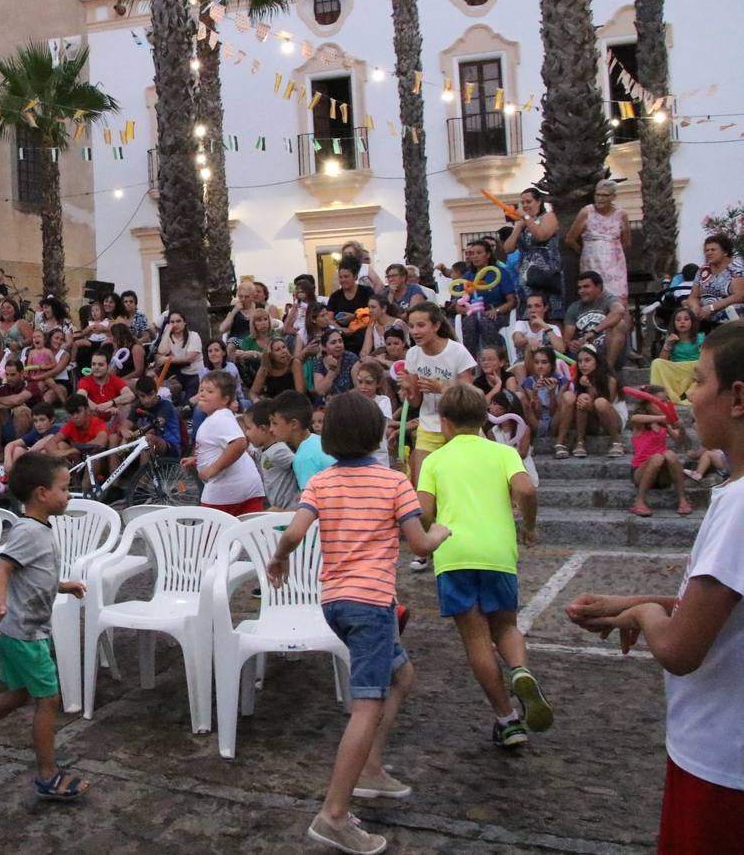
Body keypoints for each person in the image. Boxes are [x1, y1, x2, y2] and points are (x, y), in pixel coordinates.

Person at [564, 322, 744, 853]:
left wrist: (646, 618)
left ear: (737, 398)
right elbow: (721, 611)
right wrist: (633, 603)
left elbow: (681, 649)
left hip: (720, 757)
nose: (690, 395)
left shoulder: (737, 508)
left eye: (701, 380)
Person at [267, 392, 450, 855]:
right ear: (376, 436)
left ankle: (370, 770)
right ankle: (333, 815)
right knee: (367, 704)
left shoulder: (322, 483)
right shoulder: (394, 483)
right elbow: (419, 545)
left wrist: (279, 559)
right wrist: (441, 532)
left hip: (336, 602)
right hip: (371, 605)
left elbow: (294, 531)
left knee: (402, 675)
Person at [0, 453, 91, 800]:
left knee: (21, 693)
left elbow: (34, 575)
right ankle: (47, 775)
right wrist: (0, 605)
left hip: (20, 630)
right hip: (24, 632)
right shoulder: (28, 531)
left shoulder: (39, 529)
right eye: (64, 488)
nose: (69, 495)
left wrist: (62, 585)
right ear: (42, 493)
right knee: (48, 699)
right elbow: (4, 569)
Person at [417, 385, 549, 747]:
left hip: (454, 555)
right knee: (505, 627)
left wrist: (428, 537)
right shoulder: (503, 453)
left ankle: (507, 719)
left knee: (476, 639)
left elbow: (423, 512)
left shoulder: (434, 460)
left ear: (444, 422)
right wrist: (530, 527)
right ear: (482, 420)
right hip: (498, 553)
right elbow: (527, 490)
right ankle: (520, 670)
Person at [402, 302, 477, 488]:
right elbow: (415, 402)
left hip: (461, 424)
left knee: (465, 480)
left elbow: (469, 398)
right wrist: (408, 390)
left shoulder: (457, 352)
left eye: (421, 325)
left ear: (436, 326)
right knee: (423, 484)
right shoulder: (412, 354)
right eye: (411, 326)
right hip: (429, 424)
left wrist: (442, 388)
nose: (415, 331)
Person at [181, 371, 265, 516]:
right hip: (247, 488)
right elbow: (223, 448)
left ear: (225, 399)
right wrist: (197, 460)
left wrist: (212, 469)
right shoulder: (219, 417)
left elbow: (239, 443)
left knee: (212, 536)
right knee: (248, 535)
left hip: (225, 492)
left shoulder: (219, 417)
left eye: (209, 391)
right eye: (201, 390)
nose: (202, 394)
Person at [627, 385, 692, 518]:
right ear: (648, 403)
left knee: (670, 454)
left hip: (662, 475)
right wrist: (660, 418)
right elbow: (635, 418)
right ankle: (639, 502)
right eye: (659, 402)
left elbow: (679, 441)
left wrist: (682, 428)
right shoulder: (641, 423)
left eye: (665, 402)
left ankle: (682, 499)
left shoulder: (664, 424)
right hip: (641, 471)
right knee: (657, 457)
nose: (663, 405)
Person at [502, 187, 565, 320]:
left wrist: (526, 218)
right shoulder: (525, 223)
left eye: (528, 202)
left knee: (552, 313)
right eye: (522, 202)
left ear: (539, 201)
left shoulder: (548, 216)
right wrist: (519, 226)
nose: (525, 205)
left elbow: (541, 235)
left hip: (546, 274)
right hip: (526, 277)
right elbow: (508, 249)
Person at [554, 345, 623, 460]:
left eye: (587, 360)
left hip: (612, 421)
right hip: (591, 421)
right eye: (580, 361)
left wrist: (590, 387)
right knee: (581, 397)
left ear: (597, 361)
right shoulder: (579, 378)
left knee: (599, 402)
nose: (583, 364)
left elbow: (605, 406)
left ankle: (617, 442)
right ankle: (578, 442)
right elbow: (564, 404)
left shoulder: (610, 380)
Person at [566, 179, 631, 299]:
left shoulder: (621, 214)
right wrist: (585, 251)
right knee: (595, 298)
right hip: (592, 263)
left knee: (618, 300)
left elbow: (626, 241)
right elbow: (570, 238)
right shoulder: (586, 212)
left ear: (613, 197)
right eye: (597, 194)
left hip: (615, 265)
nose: (600, 198)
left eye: (604, 195)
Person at [456, 238, 519, 355]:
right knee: (469, 323)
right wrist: (468, 310)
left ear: (488, 254)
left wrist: (497, 310)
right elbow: (458, 305)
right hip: (473, 314)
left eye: (479, 253)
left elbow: (512, 301)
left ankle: (497, 358)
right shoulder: (467, 276)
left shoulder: (500, 273)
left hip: (496, 313)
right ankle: (471, 362)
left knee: (485, 322)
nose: (475, 256)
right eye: (472, 254)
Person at [564, 271, 629, 369]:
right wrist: (571, 343)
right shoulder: (574, 308)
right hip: (586, 354)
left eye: (586, 287)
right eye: (579, 288)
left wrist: (594, 331)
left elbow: (619, 311)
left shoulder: (609, 299)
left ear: (598, 287)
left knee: (620, 324)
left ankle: (608, 369)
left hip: (609, 351)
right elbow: (567, 339)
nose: (581, 291)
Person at [245, 398, 298, 510]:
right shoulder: (262, 449)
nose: (246, 433)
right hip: (277, 506)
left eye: (248, 428)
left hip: (288, 510)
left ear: (263, 429)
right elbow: (256, 455)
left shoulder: (279, 450)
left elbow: (300, 464)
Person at [685, 233, 744, 330]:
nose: (709, 253)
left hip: (729, 311)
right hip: (704, 312)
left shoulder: (736, 268)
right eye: (706, 250)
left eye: (713, 250)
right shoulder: (703, 270)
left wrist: (712, 308)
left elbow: (739, 296)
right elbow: (693, 297)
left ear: (725, 252)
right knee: (684, 314)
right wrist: (695, 307)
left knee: (732, 310)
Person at [650, 306, 705, 404]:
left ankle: (687, 394)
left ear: (692, 322)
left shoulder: (700, 337)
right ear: (674, 323)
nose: (682, 322)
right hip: (676, 370)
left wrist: (702, 348)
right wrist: (668, 345)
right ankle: (658, 395)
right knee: (656, 362)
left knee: (702, 364)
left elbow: (706, 360)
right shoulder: (670, 338)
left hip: (694, 371)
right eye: (678, 320)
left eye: (686, 319)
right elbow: (663, 362)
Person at [511, 293, 565, 380]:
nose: (533, 310)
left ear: (545, 308)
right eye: (529, 306)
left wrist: (544, 325)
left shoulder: (553, 328)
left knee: (555, 363)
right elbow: (517, 341)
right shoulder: (521, 324)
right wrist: (528, 339)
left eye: (537, 306)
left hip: (546, 368)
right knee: (520, 367)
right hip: (524, 364)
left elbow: (561, 349)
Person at [327, 256, 375, 353]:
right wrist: (340, 328)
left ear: (355, 276)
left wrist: (354, 317)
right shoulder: (335, 296)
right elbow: (328, 318)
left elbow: (374, 313)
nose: (343, 280)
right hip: (342, 339)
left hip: (365, 337)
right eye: (341, 277)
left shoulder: (366, 292)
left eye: (346, 276)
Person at [125, 376, 182, 459]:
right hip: (146, 442)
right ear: (138, 395)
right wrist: (125, 432)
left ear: (156, 392)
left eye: (150, 395)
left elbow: (159, 423)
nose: (147, 400)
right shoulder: (138, 406)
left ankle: (145, 471)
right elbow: (126, 425)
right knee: (114, 438)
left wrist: (138, 433)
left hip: (171, 447)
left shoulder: (166, 405)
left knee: (148, 439)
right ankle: (115, 471)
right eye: (142, 396)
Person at [154, 311, 204, 401]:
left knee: (189, 399)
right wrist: (168, 330)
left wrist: (167, 359)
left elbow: (188, 358)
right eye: (172, 322)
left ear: (184, 322)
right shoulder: (169, 337)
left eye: (178, 321)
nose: (175, 324)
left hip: (194, 374)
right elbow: (161, 352)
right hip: (178, 374)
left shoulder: (194, 336)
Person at [353, 360, 394, 468]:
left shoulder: (383, 400)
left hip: (377, 457)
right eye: (360, 382)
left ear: (378, 383)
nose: (363, 386)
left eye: (368, 382)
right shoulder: (353, 401)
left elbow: (377, 425)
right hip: (357, 456)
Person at [312, 328, 359, 403]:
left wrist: (338, 398)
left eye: (340, 341)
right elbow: (321, 391)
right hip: (326, 403)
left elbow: (359, 387)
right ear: (324, 347)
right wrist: (332, 369)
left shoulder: (351, 358)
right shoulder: (319, 362)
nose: (338, 345)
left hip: (349, 401)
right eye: (333, 343)